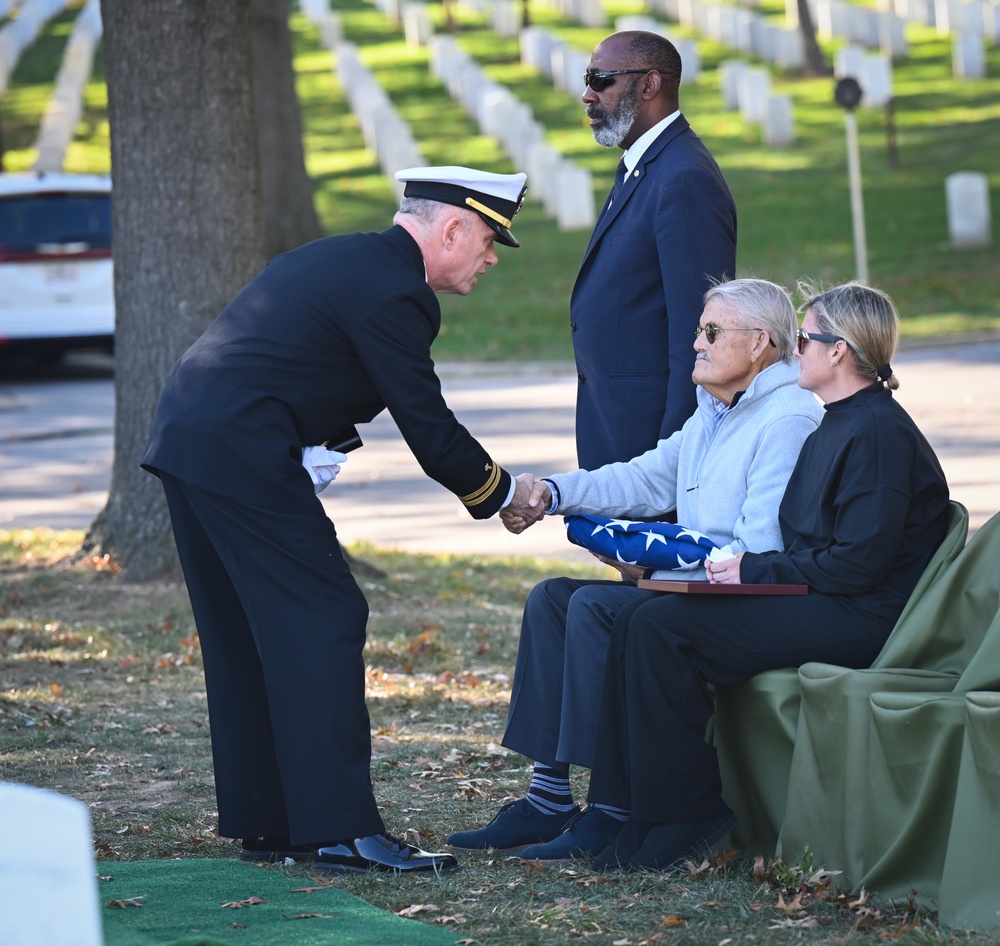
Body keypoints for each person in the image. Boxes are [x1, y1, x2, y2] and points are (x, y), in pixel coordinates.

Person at [141, 165, 533, 875]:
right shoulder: (397, 291)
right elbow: (426, 422)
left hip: (197, 437)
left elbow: (300, 363)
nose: (492, 256)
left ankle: (276, 820)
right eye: (489, 238)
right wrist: (502, 493)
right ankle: (341, 832)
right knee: (324, 615)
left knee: (250, 630)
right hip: (241, 448)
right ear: (451, 228)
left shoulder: (349, 257)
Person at [521, 282, 951, 871]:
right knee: (647, 619)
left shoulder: (872, 431)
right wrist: (559, 496)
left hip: (865, 615)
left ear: (839, 352)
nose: (795, 351)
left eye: (805, 339)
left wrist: (749, 566)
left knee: (661, 626)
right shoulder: (839, 421)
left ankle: (685, 813)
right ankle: (631, 812)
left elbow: (857, 565)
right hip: (830, 595)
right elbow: (815, 545)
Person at [446, 278, 824, 858]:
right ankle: (548, 798)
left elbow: (759, 548)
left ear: (761, 344)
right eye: (700, 328)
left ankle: (612, 809)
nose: (696, 342)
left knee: (596, 606)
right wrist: (550, 492)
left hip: (739, 599)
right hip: (694, 587)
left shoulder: (787, 417)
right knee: (552, 598)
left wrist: (648, 566)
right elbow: (644, 478)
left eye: (712, 331)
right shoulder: (717, 411)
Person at [572, 30, 737, 470]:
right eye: (587, 78)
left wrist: (675, 458)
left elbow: (700, 331)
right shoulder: (643, 165)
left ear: (649, 85)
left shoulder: (683, 177)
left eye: (601, 79)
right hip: (618, 431)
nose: (587, 94)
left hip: (650, 448)